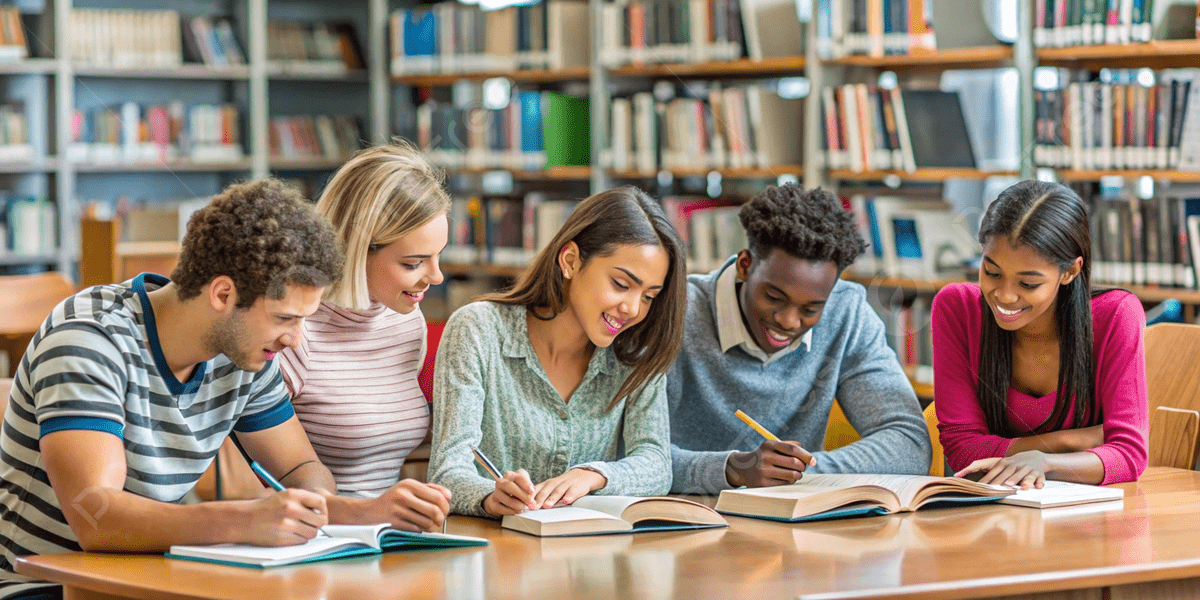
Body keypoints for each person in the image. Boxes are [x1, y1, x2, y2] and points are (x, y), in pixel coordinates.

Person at [0, 179, 360, 598]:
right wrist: (246, 520)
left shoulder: (245, 351)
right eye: (285, 319)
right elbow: (96, 517)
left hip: (156, 580)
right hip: (44, 587)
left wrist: (310, 509)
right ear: (223, 293)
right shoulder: (90, 337)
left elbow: (300, 469)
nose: (295, 339)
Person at [428, 187, 686, 517]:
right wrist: (490, 496)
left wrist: (593, 476)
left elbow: (656, 463)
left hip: (585, 557)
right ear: (570, 261)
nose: (633, 308)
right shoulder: (478, 330)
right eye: (621, 284)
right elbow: (448, 469)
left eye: (649, 296)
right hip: (494, 554)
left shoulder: (635, 355)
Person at [668, 184, 931, 496]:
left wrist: (802, 470)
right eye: (774, 297)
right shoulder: (676, 313)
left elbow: (909, 443)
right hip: (683, 523)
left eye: (811, 309)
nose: (789, 321)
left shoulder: (845, 312)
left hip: (794, 524)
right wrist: (731, 470)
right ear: (745, 265)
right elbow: (625, 451)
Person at [277, 143, 453, 531]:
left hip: (389, 539)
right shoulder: (292, 334)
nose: (435, 277)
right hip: (312, 542)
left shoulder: (407, 321)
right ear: (357, 251)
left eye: (438, 255)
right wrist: (366, 514)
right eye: (414, 263)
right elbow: (254, 491)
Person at [932, 180, 1148, 489]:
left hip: (1092, 524)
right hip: (994, 517)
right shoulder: (957, 309)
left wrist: (1045, 463)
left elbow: (1129, 456)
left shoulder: (1116, 315)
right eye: (992, 273)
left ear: (1070, 271)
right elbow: (963, 451)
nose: (1004, 296)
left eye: (1028, 283)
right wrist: (1078, 440)